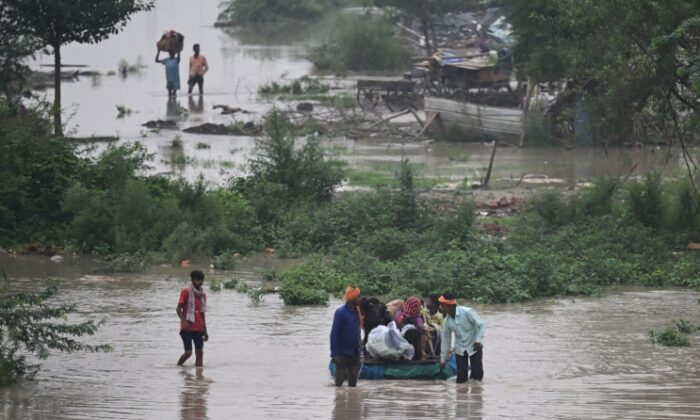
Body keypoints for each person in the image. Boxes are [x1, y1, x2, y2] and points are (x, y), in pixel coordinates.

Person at [439, 292, 486, 383]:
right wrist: (443, 359)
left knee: (477, 376)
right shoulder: (446, 322)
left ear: (449, 306)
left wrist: (479, 341)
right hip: (460, 349)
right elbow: (446, 341)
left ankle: (476, 394)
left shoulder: (467, 312)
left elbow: (481, 325)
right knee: (461, 379)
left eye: (442, 305)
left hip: (474, 346)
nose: (440, 308)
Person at [330, 286, 362, 387]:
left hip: (354, 351)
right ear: (352, 298)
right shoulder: (340, 312)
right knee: (339, 384)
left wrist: (360, 348)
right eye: (358, 297)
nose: (360, 299)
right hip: (342, 352)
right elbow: (334, 334)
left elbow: (358, 331)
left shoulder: (357, 312)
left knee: (353, 385)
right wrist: (334, 353)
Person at [176, 270, 209, 367]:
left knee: (200, 353)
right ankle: (179, 367)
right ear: (192, 280)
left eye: (201, 280)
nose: (200, 282)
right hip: (187, 328)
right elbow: (178, 309)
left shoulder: (203, 295)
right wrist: (184, 322)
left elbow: (202, 314)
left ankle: (199, 376)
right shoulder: (185, 292)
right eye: (197, 280)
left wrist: (205, 330)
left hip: (199, 328)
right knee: (188, 353)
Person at [394, 296, 425, 360]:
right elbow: (422, 328)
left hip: (400, 346)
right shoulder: (417, 318)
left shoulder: (399, 314)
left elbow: (397, 324)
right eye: (419, 306)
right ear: (415, 307)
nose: (420, 308)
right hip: (414, 347)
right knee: (422, 333)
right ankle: (422, 351)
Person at [421, 292, 444, 357]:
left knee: (435, 334)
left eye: (428, 301)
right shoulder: (424, 311)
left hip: (434, 336)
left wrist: (433, 328)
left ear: (434, 304)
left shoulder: (440, 316)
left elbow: (442, 328)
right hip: (426, 333)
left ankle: (433, 354)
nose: (425, 302)